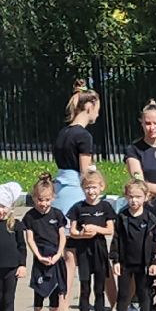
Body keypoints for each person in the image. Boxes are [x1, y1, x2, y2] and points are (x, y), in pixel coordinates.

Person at [66, 170, 117, 311]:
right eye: (87, 188)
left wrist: (95, 229)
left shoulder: (105, 207)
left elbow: (110, 230)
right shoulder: (78, 208)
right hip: (84, 251)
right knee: (85, 288)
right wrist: (81, 234)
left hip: (100, 250)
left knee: (99, 288)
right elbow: (72, 230)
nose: (91, 191)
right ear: (83, 188)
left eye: (94, 187)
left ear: (101, 187)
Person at [23, 174, 70, 311]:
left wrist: (58, 254)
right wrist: (39, 256)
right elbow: (30, 239)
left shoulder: (57, 215)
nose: (43, 203)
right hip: (41, 258)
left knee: (56, 293)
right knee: (39, 293)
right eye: (40, 200)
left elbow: (62, 236)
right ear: (34, 198)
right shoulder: (30, 217)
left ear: (53, 198)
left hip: (56, 258)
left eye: (47, 199)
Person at [111, 179, 156, 311]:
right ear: (126, 196)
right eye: (131, 196)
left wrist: (154, 261)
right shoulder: (122, 217)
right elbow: (116, 238)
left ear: (146, 197)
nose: (134, 200)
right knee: (124, 293)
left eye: (138, 196)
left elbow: (155, 242)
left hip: (143, 262)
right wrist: (115, 259)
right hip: (125, 262)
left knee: (144, 291)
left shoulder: (150, 219)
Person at [54, 83, 101, 217]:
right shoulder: (84, 136)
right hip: (75, 189)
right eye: (97, 109)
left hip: (59, 187)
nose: (97, 114)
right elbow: (85, 172)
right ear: (89, 107)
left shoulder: (63, 132)